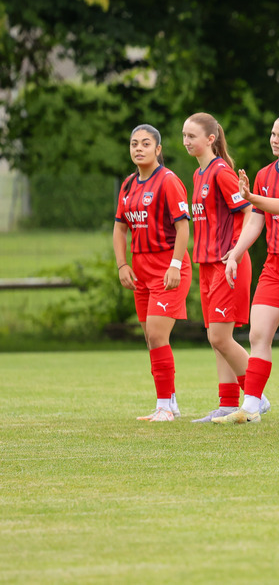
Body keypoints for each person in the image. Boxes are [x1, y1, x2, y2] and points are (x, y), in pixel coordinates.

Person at [215, 113, 279, 424]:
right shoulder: (263, 175)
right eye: (272, 134)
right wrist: (235, 252)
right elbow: (257, 219)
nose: (275, 140)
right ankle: (251, 407)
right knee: (258, 334)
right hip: (274, 265)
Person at [113, 124, 192, 422]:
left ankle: (163, 407)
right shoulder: (128, 185)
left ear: (158, 149)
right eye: (134, 143)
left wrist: (174, 264)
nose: (138, 148)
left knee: (158, 336)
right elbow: (120, 228)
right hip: (141, 269)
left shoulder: (168, 181)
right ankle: (170, 402)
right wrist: (123, 264)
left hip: (167, 267)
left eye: (146, 143)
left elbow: (183, 226)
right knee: (151, 337)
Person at [181, 113, 253, 422]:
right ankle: (227, 404)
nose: (186, 141)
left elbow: (249, 212)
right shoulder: (198, 175)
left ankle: (255, 396)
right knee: (216, 339)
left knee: (220, 338)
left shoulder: (221, 172)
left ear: (211, 139)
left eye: (192, 136)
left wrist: (235, 253)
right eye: (184, 136)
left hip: (228, 263)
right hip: (207, 264)